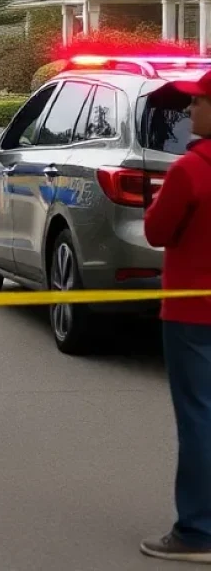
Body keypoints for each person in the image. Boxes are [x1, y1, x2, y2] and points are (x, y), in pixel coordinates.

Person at [142, 71, 211, 562]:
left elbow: (157, 230)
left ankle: (198, 532)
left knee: (200, 418)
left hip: (193, 314)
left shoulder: (191, 170)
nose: (191, 112)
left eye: (200, 102)